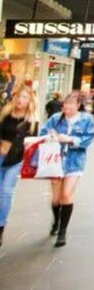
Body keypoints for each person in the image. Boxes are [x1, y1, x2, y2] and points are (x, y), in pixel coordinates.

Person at [40, 92, 94, 247]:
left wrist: (71, 139)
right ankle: (56, 221)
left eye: (71, 104)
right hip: (55, 161)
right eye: (66, 104)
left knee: (66, 194)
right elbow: (43, 132)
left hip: (74, 161)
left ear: (78, 105)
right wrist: (51, 135)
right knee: (56, 197)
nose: (68, 108)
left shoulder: (86, 119)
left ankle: (62, 232)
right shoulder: (55, 118)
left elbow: (89, 138)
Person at [0, 86, 38, 246]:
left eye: (24, 97)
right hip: (1, 155)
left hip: (15, 160)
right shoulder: (6, 115)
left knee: (6, 192)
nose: (20, 100)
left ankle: (0, 227)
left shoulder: (31, 122)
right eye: (18, 97)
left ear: (30, 101)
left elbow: (32, 144)